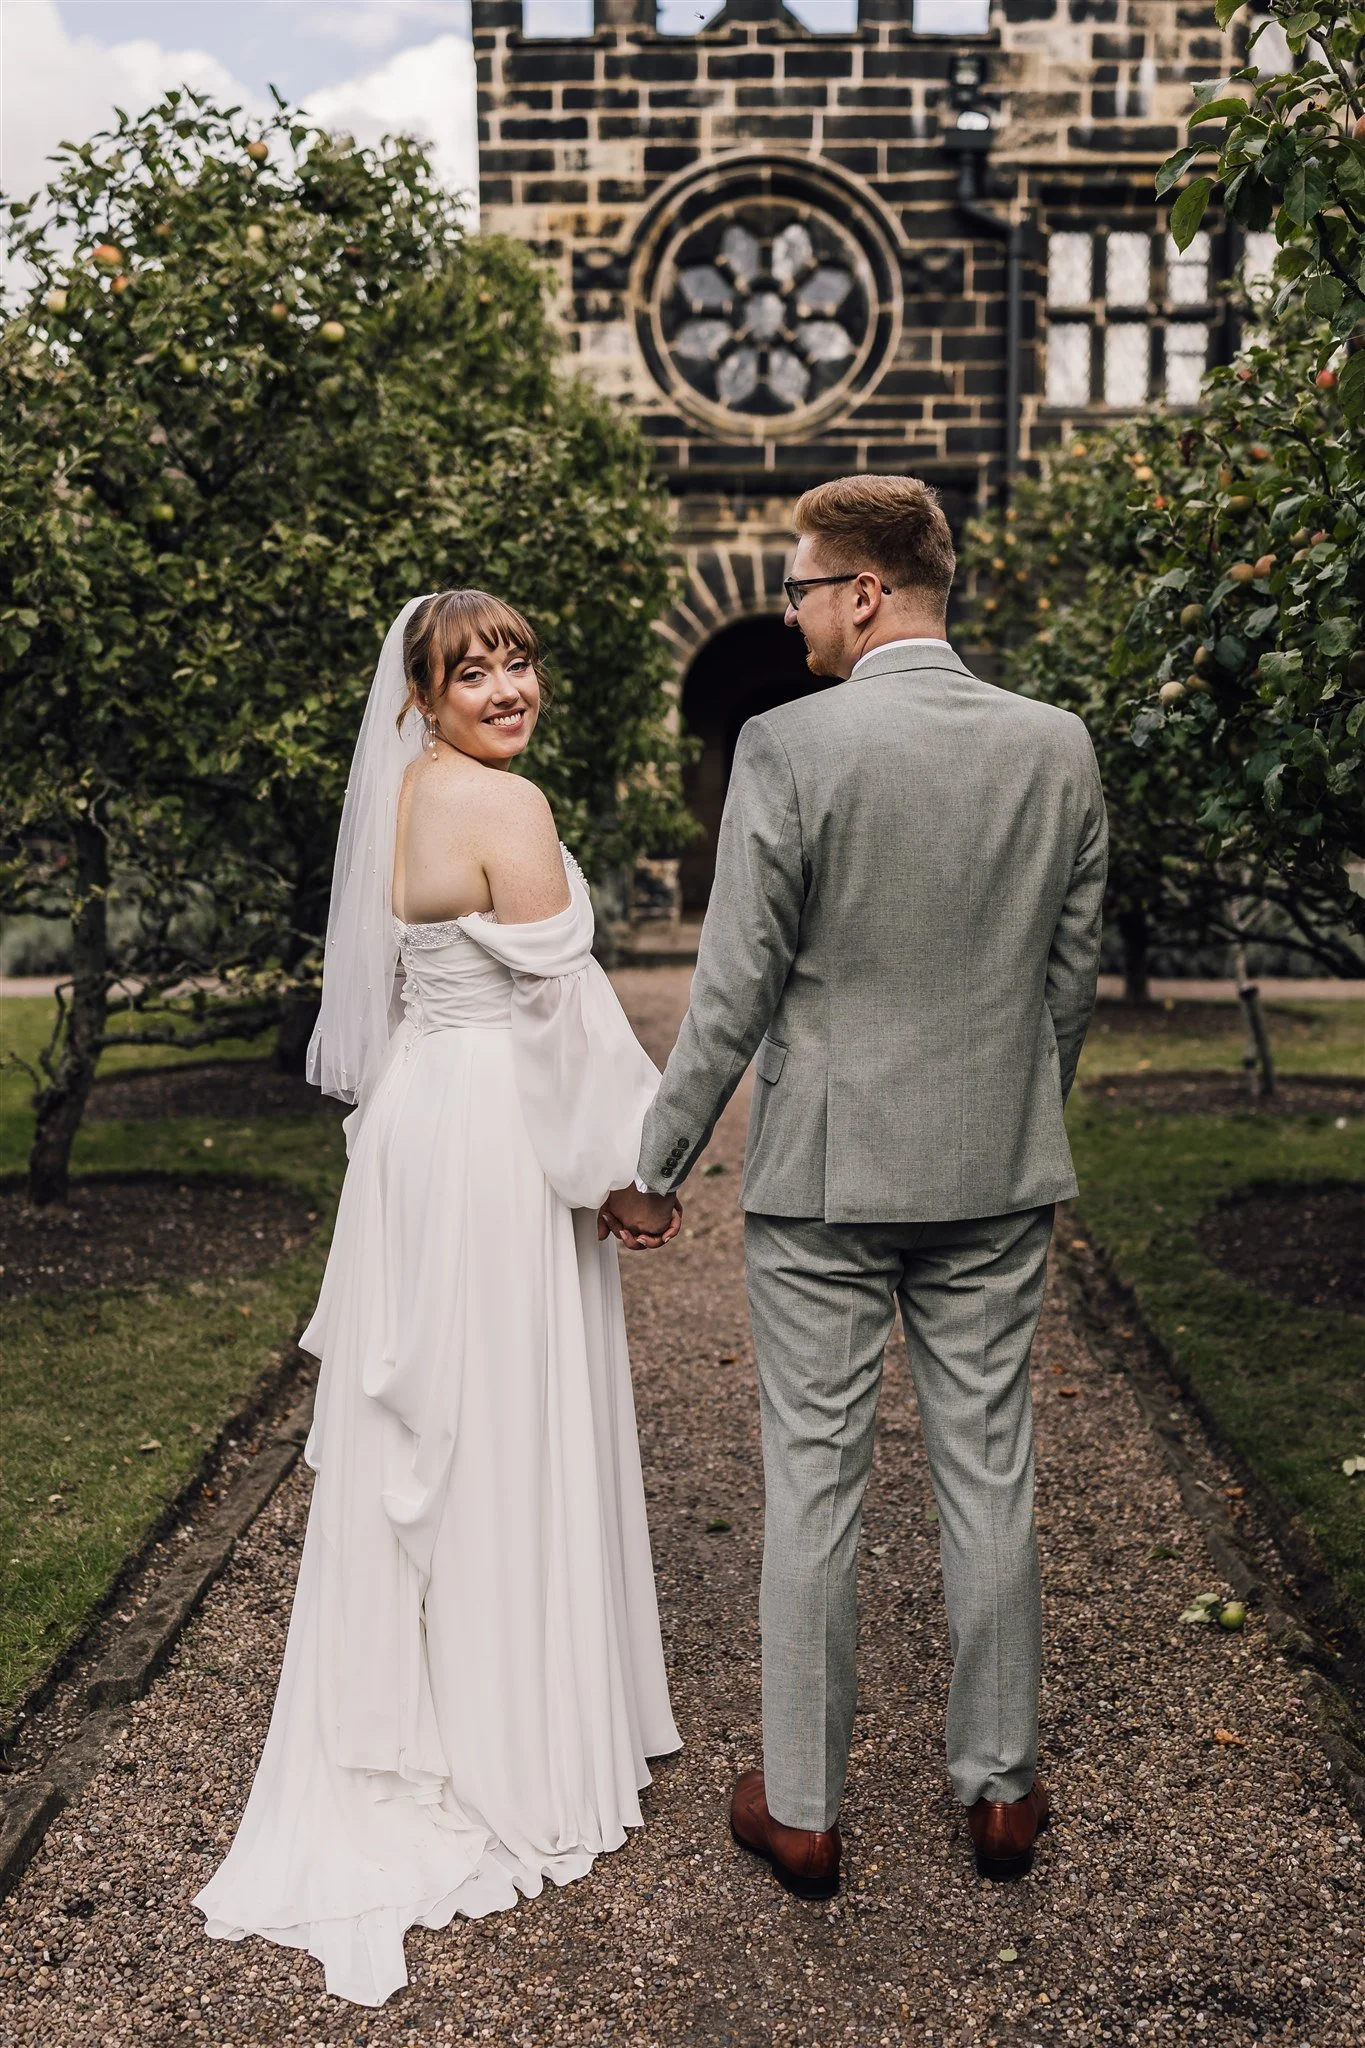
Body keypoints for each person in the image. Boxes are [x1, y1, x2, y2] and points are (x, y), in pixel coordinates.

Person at [603, 474, 1107, 1898]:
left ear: (866, 592)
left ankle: (810, 1809)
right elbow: (1065, 984)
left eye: (803, 587)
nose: (791, 612)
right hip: (996, 1172)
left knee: (816, 1485)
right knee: (988, 1470)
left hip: (825, 1182)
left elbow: (733, 989)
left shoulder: (787, 746)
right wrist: (1012, 1110)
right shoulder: (1057, 748)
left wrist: (656, 1163)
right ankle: (1001, 1794)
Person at [195, 591, 681, 2008]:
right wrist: (629, 1167)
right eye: (473, 672)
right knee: (498, 1422)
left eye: (519, 659)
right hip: (485, 1137)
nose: (506, 687)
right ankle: (512, 1738)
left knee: (441, 1428)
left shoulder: (412, 793)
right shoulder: (505, 809)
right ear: (423, 696)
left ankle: (450, 1702)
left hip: (419, 1125)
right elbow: (562, 1015)